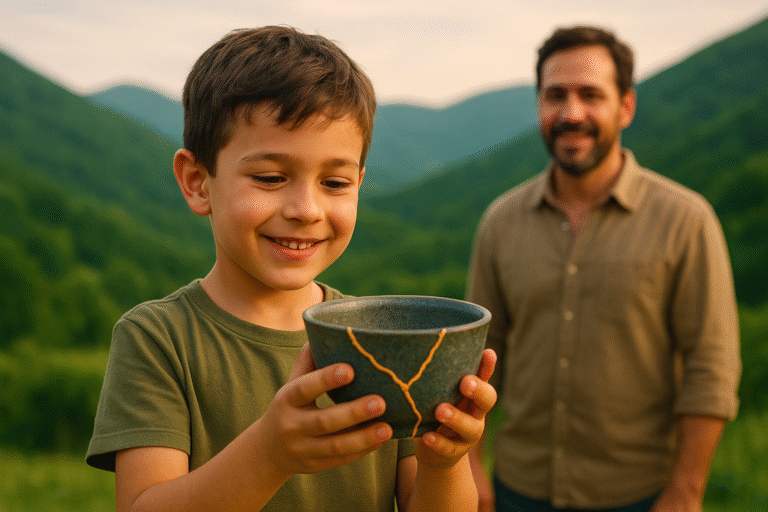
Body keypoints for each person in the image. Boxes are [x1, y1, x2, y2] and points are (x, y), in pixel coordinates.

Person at [86, 26, 497, 512]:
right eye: (270, 178)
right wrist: (268, 455)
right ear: (198, 182)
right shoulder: (158, 337)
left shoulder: (378, 339)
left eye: (336, 182)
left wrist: (444, 462)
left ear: (361, 183)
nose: (306, 208)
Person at [466, 25, 740, 512]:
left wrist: (686, 491)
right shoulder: (500, 222)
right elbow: (479, 355)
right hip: (516, 491)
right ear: (539, 107)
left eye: (590, 94)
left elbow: (711, 366)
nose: (572, 113)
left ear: (626, 107)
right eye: (556, 96)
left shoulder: (686, 220)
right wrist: (470, 470)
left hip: (639, 496)